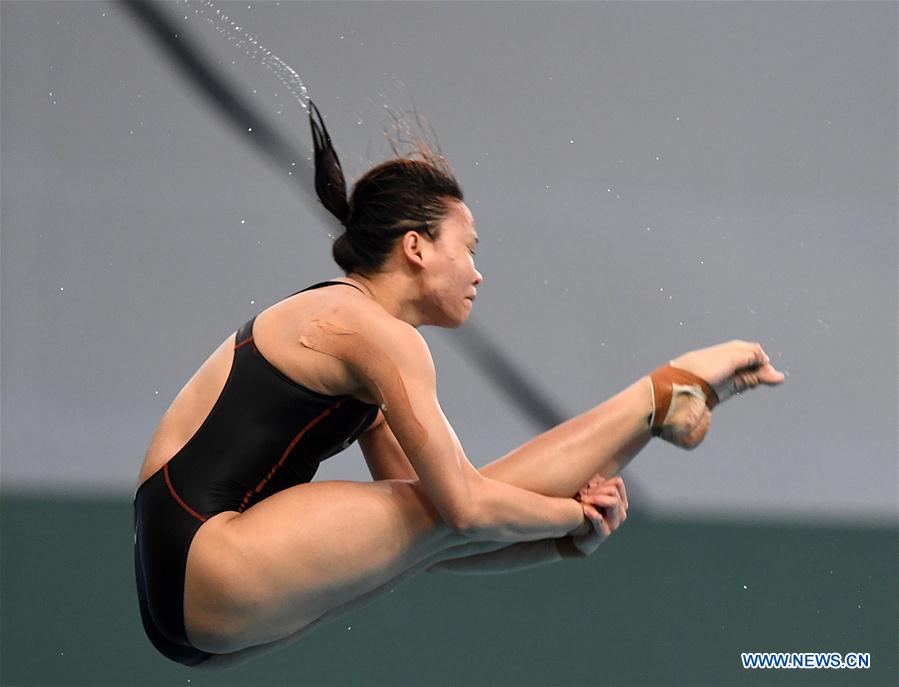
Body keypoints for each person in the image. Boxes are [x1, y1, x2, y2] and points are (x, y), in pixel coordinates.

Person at [133, 102, 785, 669]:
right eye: (467, 248)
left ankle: (661, 400)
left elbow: (442, 540)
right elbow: (468, 509)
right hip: (206, 552)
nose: (477, 273)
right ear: (416, 248)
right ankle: (662, 393)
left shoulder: (361, 342)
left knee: (415, 540)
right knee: (442, 509)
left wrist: (558, 543)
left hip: (189, 599)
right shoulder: (370, 331)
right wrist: (569, 511)